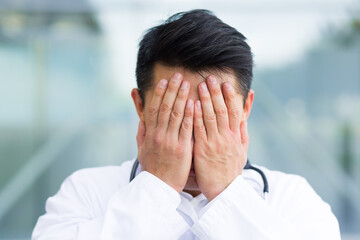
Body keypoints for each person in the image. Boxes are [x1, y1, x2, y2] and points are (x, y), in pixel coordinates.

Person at [32, 9, 341, 240]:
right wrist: (157, 188)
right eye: (173, 114)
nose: (193, 140)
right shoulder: (85, 192)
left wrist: (227, 193)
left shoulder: (295, 200)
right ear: (140, 107)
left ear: (246, 109)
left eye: (212, 115)